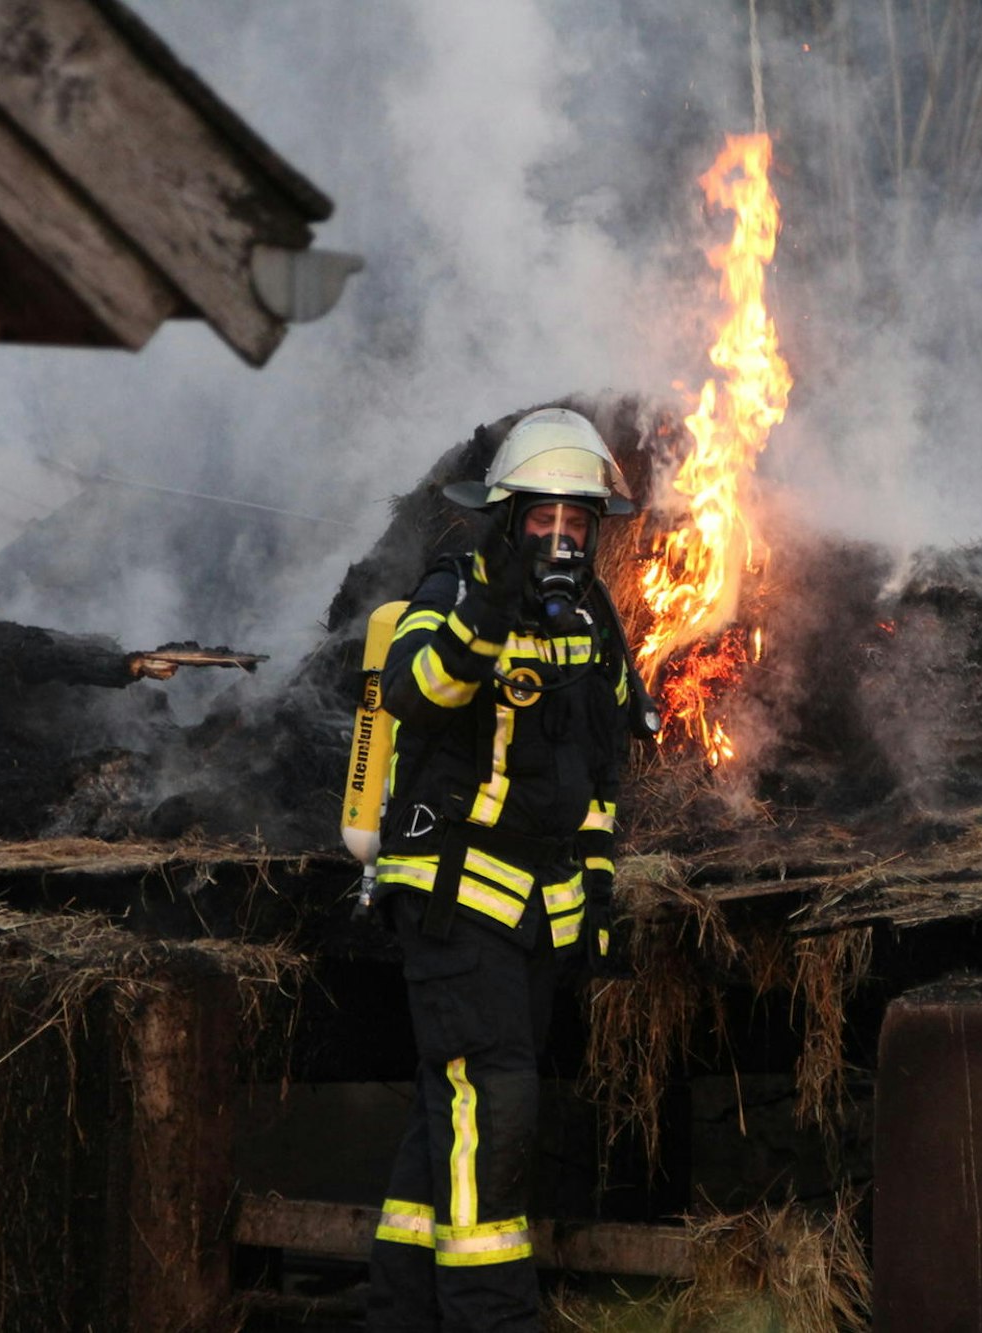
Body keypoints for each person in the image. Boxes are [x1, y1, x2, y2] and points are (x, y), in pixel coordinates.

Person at [366, 407, 645, 1332]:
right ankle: (493, 1317)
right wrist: (488, 604)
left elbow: (598, 771)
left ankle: (399, 1314)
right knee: (496, 1114)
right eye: (543, 520)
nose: (561, 538)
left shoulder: (592, 625)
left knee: (445, 1124)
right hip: (453, 905)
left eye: (577, 523)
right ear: (506, 517)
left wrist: (597, 886)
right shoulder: (451, 591)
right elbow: (415, 692)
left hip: (529, 919)